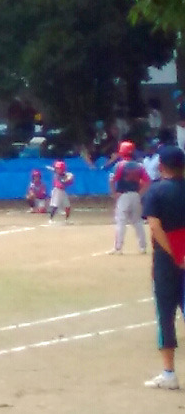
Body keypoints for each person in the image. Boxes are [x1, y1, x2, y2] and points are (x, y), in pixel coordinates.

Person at [141, 145, 185, 390]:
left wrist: (176, 254)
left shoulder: (156, 191)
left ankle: (169, 373)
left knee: (165, 316)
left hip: (167, 263)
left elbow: (156, 228)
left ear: (161, 166)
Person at [108, 141, 151, 255]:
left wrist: (114, 193)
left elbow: (112, 180)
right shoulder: (139, 165)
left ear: (122, 152)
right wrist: (140, 193)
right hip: (135, 195)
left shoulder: (120, 165)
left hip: (123, 195)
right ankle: (142, 247)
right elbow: (147, 181)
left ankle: (118, 248)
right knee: (137, 221)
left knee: (121, 221)